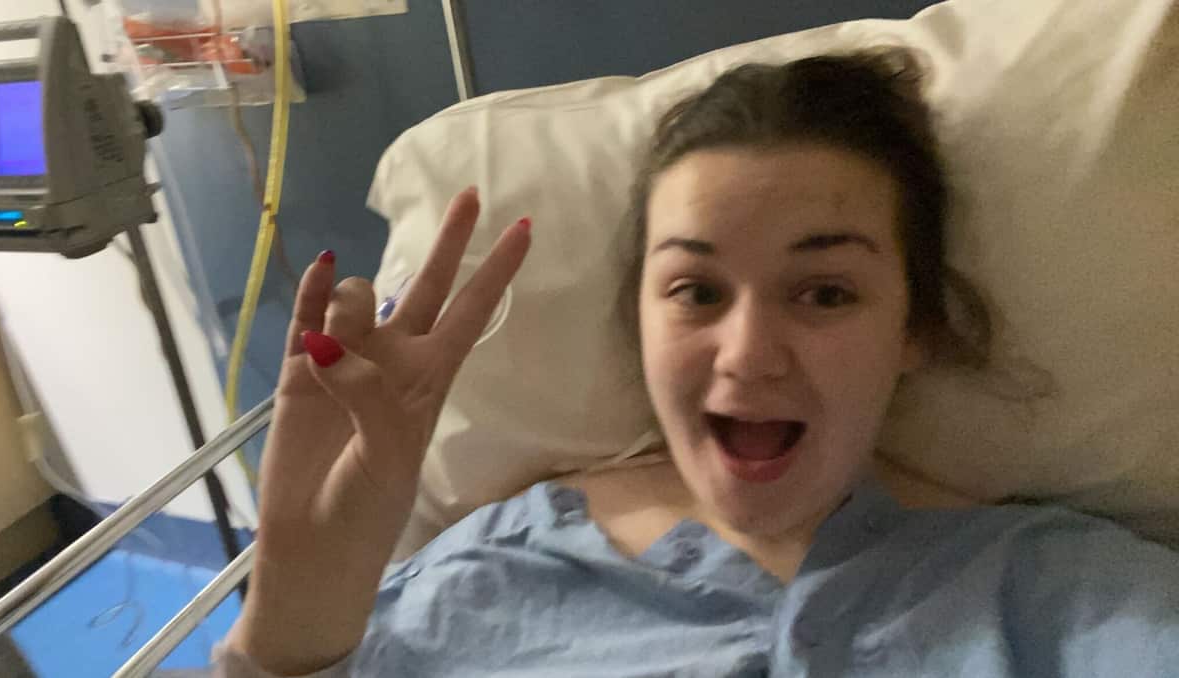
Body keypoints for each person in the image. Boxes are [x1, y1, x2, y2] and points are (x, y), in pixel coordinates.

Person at [215, 50, 1179, 677]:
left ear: (914, 327)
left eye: (826, 293)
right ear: (638, 322)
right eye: (696, 292)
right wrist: (284, 639)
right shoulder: (492, 569)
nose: (750, 356)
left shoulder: (1061, 602)